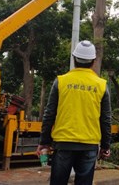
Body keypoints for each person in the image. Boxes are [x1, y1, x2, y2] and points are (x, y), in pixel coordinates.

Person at [36, 40, 112, 185]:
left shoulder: (61, 81)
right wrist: (106, 146)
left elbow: (49, 114)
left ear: (74, 58)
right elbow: (106, 119)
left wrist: (44, 142)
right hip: (89, 145)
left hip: (63, 144)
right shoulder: (102, 85)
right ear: (93, 61)